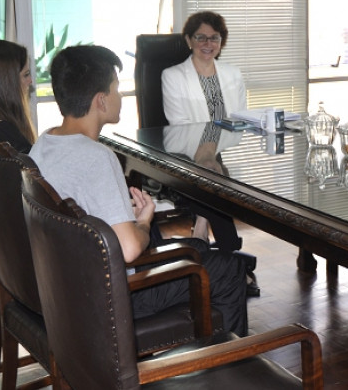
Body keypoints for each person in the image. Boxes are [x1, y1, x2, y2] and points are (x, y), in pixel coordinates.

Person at [29, 45, 249, 335]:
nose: (120, 96)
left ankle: (208, 341)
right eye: (116, 89)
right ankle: (231, 364)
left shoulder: (43, 144)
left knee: (196, 247)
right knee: (230, 269)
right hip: (114, 294)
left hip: (68, 284)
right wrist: (144, 221)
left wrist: (123, 215)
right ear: (101, 101)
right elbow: (131, 249)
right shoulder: (97, 156)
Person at [160, 11, 259, 295]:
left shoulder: (232, 73)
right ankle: (230, 258)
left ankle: (201, 230)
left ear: (221, 41)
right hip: (186, 151)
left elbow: (239, 116)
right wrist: (208, 154)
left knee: (213, 182)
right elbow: (179, 123)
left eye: (214, 37)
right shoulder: (173, 75)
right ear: (189, 40)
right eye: (200, 37)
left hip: (224, 148)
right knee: (214, 181)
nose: (207, 43)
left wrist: (215, 151)